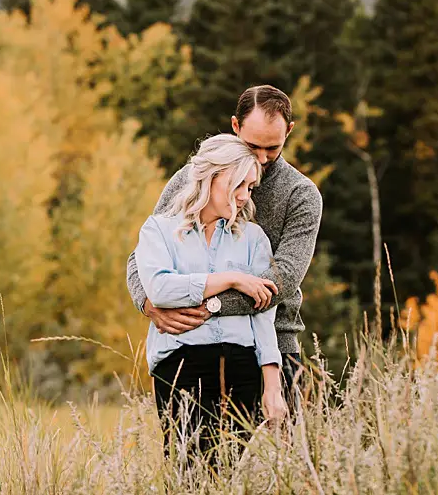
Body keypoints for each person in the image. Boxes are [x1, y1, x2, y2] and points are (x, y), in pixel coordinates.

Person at [127, 84, 323, 405]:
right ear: (235, 126)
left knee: (283, 451)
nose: (261, 159)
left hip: (274, 343)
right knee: (197, 452)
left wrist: (208, 308)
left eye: (272, 148)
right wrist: (150, 305)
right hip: (192, 343)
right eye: (252, 146)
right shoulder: (195, 177)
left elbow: (281, 281)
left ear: (289, 131)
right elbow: (144, 253)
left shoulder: (300, 195)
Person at [134, 133, 287, 462]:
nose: (245, 196)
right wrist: (232, 279)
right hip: (179, 363)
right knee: (187, 470)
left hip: (241, 365)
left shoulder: (253, 239)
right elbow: (160, 289)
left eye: (250, 187)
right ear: (214, 177)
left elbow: (263, 314)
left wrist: (272, 386)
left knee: (228, 473)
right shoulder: (158, 230)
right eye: (239, 185)